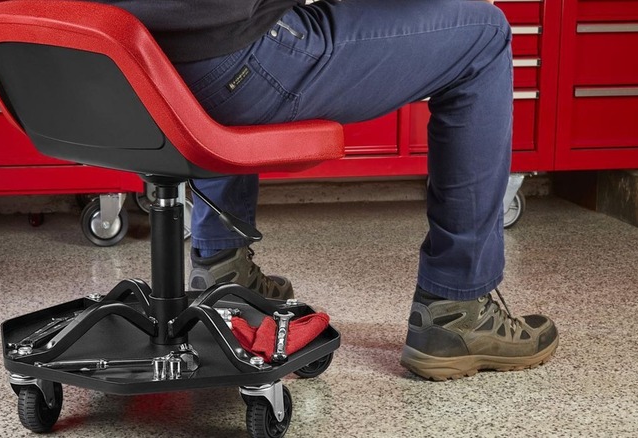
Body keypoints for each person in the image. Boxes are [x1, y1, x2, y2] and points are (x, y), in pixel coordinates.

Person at [97, 0, 559, 380]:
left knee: (230, 28)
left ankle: (222, 269)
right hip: (215, 62)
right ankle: (458, 308)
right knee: (483, 33)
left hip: (90, 61)